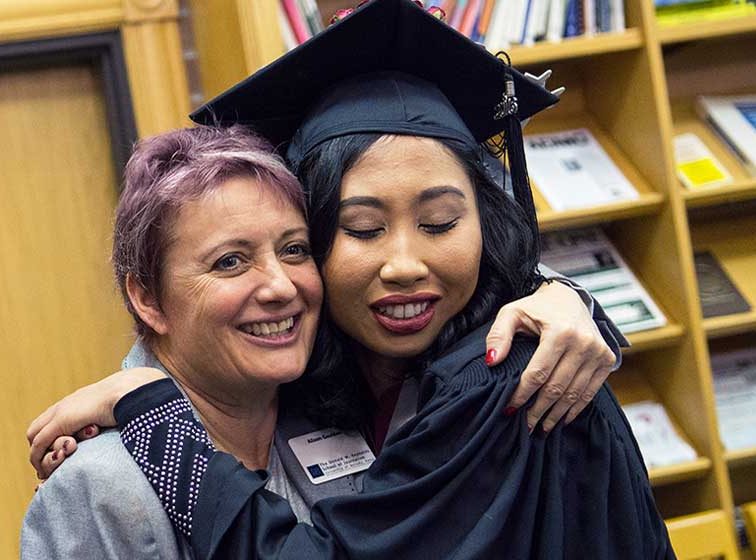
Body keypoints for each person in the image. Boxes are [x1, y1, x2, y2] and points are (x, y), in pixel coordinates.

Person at [59, 0, 672, 558]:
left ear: (485, 225)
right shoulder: (325, 369)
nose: (405, 264)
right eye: (363, 229)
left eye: (439, 222)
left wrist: (152, 416)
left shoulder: (508, 381)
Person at [22, 130, 622, 560]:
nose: (281, 287)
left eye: (295, 249)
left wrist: (563, 292)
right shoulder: (103, 486)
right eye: (230, 262)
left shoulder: (338, 407)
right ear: (148, 299)